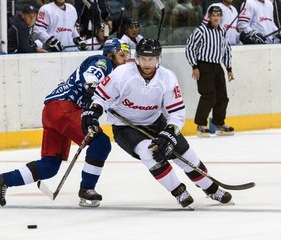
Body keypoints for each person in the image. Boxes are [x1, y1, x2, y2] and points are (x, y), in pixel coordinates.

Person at [81, 38, 233, 209]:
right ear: (137, 58)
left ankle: (211, 188)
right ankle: (178, 191)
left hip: (156, 122)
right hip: (126, 128)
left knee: (187, 155)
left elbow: (176, 113)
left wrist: (169, 133)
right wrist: (93, 112)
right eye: (144, 58)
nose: (147, 63)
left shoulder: (167, 78)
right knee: (149, 152)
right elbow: (101, 98)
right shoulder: (121, 74)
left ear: (158, 58)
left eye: (151, 58)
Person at [0, 38, 130, 208]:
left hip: (53, 111)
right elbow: (92, 75)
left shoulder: (112, 78)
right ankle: (87, 189)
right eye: (121, 55)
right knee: (101, 143)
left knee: (50, 166)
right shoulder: (104, 61)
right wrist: (91, 89)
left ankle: (1, 180)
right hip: (65, 108)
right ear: (111, 54)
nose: (125, 59)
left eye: (127, 55)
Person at [185, 6, 234, 137]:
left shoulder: (222, 32)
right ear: (209, 17)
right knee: (209, 96)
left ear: (221, 17)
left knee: (222, 97)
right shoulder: (201, 31)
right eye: (213, 15)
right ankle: (201, 125)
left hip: (217, 67)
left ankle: (219, 123)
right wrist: (194, 66)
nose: (216, 17)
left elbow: (227, 50)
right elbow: (190, 48)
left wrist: (229, 68)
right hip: (204, 66)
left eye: (218, 15)